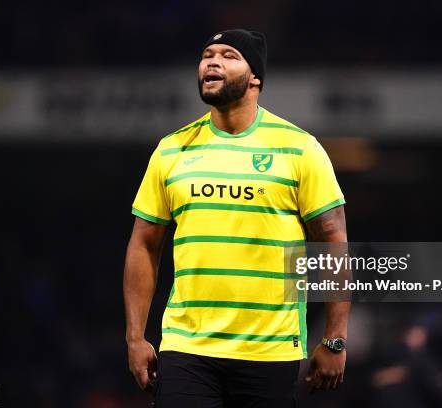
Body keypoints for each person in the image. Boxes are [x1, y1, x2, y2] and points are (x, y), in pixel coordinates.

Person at [124, 29, 350, 407]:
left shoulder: (300, 148)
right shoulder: (171, 150)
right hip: (187, 346)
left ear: (255, 77)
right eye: (206, 54)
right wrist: (135, 337)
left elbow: (334, 242)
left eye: (229, 55)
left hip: (271, 350)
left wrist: (335, 339)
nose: (212, 61)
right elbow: (144, 244)